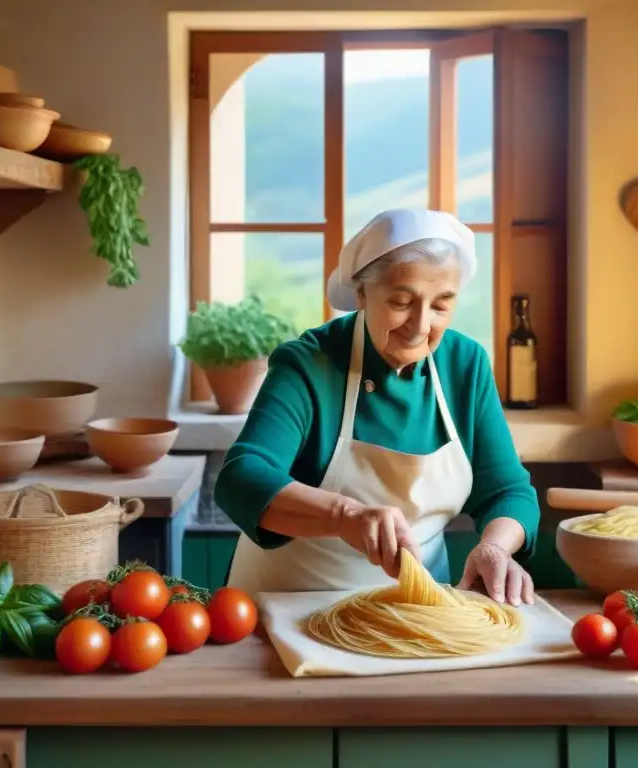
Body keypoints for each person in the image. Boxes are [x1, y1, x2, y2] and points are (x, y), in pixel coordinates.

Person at [214, 208, 540, 606]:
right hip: (287, 607)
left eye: (441, 305)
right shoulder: (309, 364)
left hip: (411, 613)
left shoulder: (465, 365)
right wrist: (345, 516)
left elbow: (508, 490)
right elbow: (241, 477)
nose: (421, 325)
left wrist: (495, 548)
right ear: (362, 294)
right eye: (402, 301)